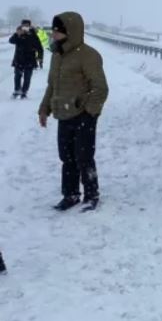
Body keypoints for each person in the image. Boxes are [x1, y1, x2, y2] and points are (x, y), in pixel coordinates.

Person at [38, 12, 109, 212]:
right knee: (66, 158)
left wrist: (90, 112)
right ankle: (70, 195)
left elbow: (100, 88)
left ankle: (91, 195)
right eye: (53, 31)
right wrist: (44, 109)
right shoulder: (57, 55)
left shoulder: (89, 55)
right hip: (63, 114)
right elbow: (52, 85)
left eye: (58, 32)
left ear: (71, 31)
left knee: (83, 157)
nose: (54, 35)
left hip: (83, 115)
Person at [8, 19, 44, 99]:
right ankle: (17, 90)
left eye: (27, 26)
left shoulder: (33, 35)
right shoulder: (18, 34)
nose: (25, 27)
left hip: (30, 60)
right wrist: (17, 34)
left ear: (29, 26)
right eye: (24, 25)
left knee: (27, 77)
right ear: (21, 25)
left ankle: (24, 92)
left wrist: (40, 58)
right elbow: (11, 41)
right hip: (19, 59)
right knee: (17, 76)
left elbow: (40, 48)